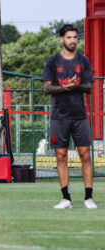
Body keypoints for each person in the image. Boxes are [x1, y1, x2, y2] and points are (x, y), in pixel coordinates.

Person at [42, 24, 97, 209]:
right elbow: (46, 88)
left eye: (75, 37)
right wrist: (64, 87)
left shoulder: (83, 61)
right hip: (59, 116)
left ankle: (88, 198)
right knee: (61, 156)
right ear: (61, 39)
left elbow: (89, 87)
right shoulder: (52, 62)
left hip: (79, 115)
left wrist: (76, 85)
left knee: (85, 155)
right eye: (69, 37)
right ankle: (66, 198)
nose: (73, 40)